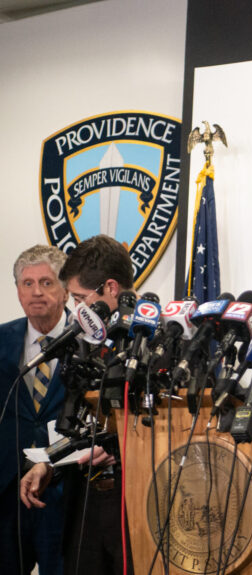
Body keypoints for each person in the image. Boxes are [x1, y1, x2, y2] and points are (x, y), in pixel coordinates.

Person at [20, 234, 134, 575]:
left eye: (82, 298)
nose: (78, 308)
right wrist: (49, 462)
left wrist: (120, 448)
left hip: (134, 503)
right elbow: (76, 423)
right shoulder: (84, 338)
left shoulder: (157, 337)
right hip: (84, 502)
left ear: (111, 288)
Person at [0, 245, 68, 575]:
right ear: (17, 291)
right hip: (7, 494)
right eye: (27, 283)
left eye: (46, 282)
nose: (36, 292)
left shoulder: (92, 342)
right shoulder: (2, 340)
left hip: (66, 494)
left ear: (65, 290)